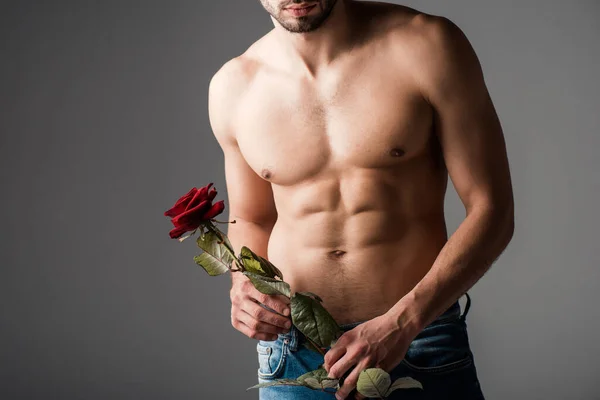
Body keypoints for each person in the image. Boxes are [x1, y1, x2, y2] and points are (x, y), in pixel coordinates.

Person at [208, 1, 514, 399]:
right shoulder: (234, 86)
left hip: (416, 339)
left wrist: (403, 323)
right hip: (295, 353)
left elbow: (493, 210)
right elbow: (252, 217)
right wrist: (241, 282)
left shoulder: (426, 45)